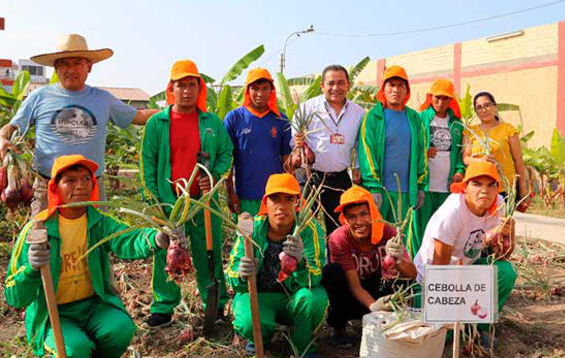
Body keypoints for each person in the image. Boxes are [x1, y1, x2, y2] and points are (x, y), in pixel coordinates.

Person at [3, 155, 173, 358]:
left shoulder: (98, 222)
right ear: (55, 188)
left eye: (86, 179)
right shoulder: (38, 230)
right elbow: (14, 296)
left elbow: (128, 238)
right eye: (70, 180)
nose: (80, 185)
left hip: (94, 306)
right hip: (54, 314)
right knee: (75, 350)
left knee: (121, 330)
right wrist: (31, 269)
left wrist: (158, 238)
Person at [0, 34, 158, 217]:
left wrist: (174, 110)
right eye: (64, 63)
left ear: (89, 67)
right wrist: (2, 138)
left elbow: (138, 116)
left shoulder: (103, 99)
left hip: (90, 188)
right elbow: (13, 127)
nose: (70, 69)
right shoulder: (39, 97)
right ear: (56, 68)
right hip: (48, 187)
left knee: (94, 240)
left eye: (77, 63)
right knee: (42, 241)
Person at [140, 59, 233, 328]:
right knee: (166, 254)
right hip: (170, 203)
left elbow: (226, 153)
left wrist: (213, 178)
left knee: (209, 253)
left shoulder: (211, 122)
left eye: (192, 85)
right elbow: (147, 162)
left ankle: (214, 304)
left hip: (204, 203)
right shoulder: (157, 123)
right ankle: (164, 307)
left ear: (198, 88)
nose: (187, 90)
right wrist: (155, 201)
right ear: (172, 88)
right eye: (181, 85)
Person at [226, 173, 328, 358]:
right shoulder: (251, 228)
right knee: (247, 319)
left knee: (314, 299)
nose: (282, 206)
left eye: (289, 199)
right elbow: (232, 272)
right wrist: (241, 274)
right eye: (275, 199)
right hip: (260, 297)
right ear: (266, 203)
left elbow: (316, 276)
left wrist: (301, 263)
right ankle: (260, 338)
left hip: (293, 297)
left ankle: (301, 345)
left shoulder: (309, 228)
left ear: (297, 203)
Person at [414, 160, 517, 333]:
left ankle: (479, 328)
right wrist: (488, 236)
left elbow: (503, 256)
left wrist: (510, 234)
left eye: (491, 185)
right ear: (465, 188)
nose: (485, 191)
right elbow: (440, 271)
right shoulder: (452, 213)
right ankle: (459, 328)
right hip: (432, 282)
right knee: (439, 334)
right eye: (477, 184)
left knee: (506, 272)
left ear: (497, 189)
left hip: (466, 271)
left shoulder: (499, 204)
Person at [321, 185, 416, 345]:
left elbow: (412, 275)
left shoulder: (388, 232)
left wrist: (399, 259)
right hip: (353, 292)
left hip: (381, 287)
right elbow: (355, 285)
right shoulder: (338, 239)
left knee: (402, 279)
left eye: (364, 214)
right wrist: (374, 307)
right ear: (344, 219)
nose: (359, 222)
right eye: (352, 217)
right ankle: (339, 327)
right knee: (332, 272)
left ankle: (393, 322)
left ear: (372, 212)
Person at [357, 65, 427, 255]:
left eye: (400, 86)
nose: (396, 90)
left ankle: (402, 280)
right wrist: (374, 187)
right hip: (381, 192)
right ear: (383, 89)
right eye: (391, 85)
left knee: (402, 239)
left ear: (406, 90)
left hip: (406, 192)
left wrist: (421, 185)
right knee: (377, 237)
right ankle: (377, 280)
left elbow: (422, 153)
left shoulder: (414, 119)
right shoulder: (373, 117)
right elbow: (366, 152)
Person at [291, 64, 364, 234]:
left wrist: (358, 167)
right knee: (304, 226)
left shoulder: (358, 113)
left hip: (339, 178)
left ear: (348, 85)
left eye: (341, 83)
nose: (335, 88)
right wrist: (299, 146)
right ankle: (309, 261)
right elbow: (294, 140)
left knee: (340, 230)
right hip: (310, 176)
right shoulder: (307, 108)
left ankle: (335, 260)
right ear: (322, 86)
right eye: (330, 83)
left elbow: (361, 144)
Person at [224, 68, 291, 216]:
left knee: (274, 237)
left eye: (264, 88)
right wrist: (230, 193)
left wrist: (291, 194)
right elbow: (228, 159)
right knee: (246, 237)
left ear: (271, 90)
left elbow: (287, 160)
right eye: (255, 88)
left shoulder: (281, 120)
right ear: (247, 90)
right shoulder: (234, 118)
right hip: (244, 196)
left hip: (275, 196)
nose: (260, 94)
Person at [416, 79, 466, 253]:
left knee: (442, 230)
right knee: (421, 229)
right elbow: (410, 147)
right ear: (430, 97)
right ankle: (416, 270)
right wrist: (423, 152)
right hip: (425, 185)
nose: (441, 103)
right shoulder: (420, 118)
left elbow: (461, 153)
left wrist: (460, 171)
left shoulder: (457, 123)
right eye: (437, 98)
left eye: (445, 99)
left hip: (447, 188)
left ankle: (439, 267)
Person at [462, 91, 531, 210]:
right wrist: (481, 161)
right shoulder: (470, 131)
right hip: (479, 189)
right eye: (479, 107)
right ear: (476, 111)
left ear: (495, 107)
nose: (484, 110)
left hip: (504, 187)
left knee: (503, 225)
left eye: (487, 105)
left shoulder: (508, 129)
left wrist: (523, 190)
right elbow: (466, 159)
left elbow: (518, 161)